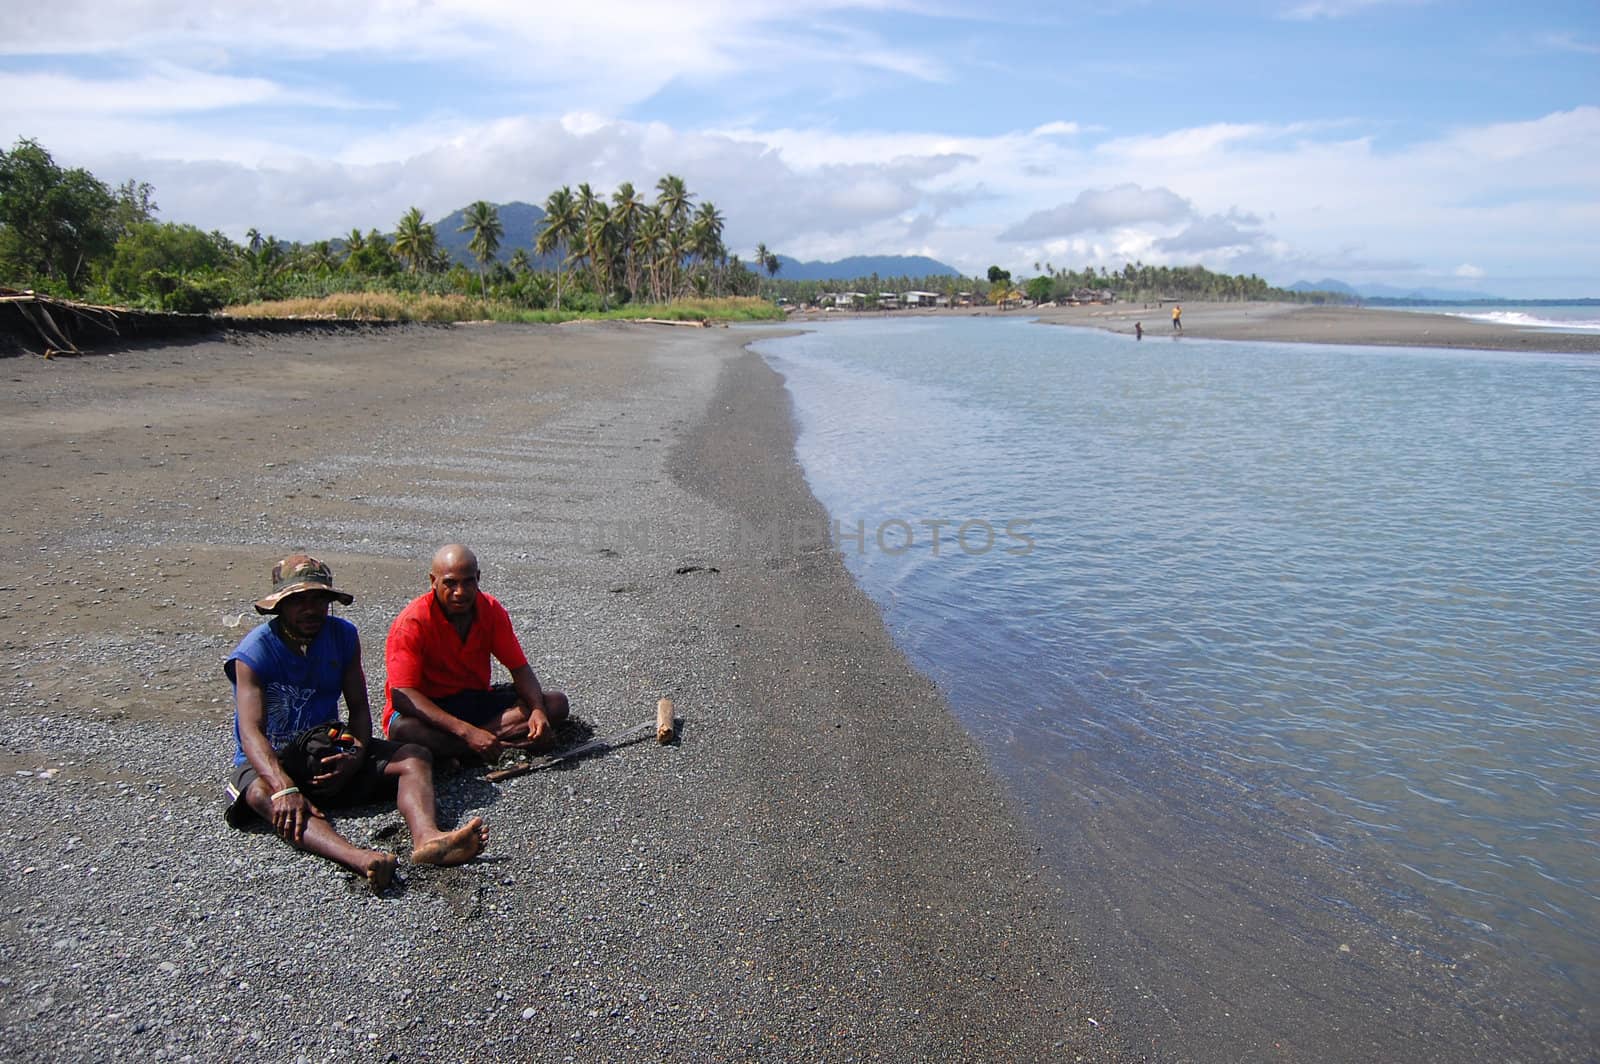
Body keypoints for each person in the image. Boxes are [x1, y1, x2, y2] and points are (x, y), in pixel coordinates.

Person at [224, 553, 488, 892]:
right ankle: (358, 858)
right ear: (280, 605)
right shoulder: (254, 652)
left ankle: (427, 839)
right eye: (299, 601)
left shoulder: (343, 635)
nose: (311, 609)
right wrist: (284, 787)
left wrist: (356, 755)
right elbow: (251, 731)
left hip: (326, 747)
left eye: (319, 599)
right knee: (261, 793)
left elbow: (360, 710)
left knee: (415, 757)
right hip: (271, 759)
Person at [383, 544, 570, 764]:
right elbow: (403, 696)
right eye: (450, 583)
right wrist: (467, 732)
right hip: (430, 707)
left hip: (473, 699)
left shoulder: (490, 609)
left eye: (468, 582)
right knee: (404, 731)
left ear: (478, 578)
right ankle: (495, 746)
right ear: (433, 581)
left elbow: (519, 668)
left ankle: (469, 750)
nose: (459, 592)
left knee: (556, 704)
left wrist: (538, 711)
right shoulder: (412, 622)